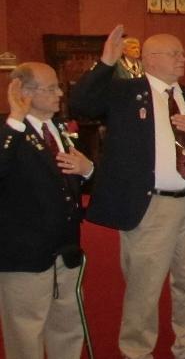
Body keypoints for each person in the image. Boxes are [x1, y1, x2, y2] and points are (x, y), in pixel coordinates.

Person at [70, 25, 185, 359]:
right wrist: (106, 62)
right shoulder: (127, 93)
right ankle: (137, 351)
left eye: (183, 53)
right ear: (151, 59)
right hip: (150, 206)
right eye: (175, 53)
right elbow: (82, 103)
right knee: (144, 287)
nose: (183, 58)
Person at [1, 63, 93, 359]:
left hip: (65, 248)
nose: (59, 94)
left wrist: (88, 169)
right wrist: (15, 116)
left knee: (67, 326)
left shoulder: (60, 129)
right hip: (25, 254)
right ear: (24, 92)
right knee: (26, 332)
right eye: (51, 88)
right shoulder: (10, 132)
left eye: (58, 87)